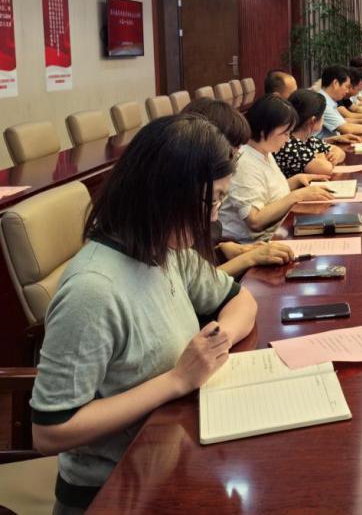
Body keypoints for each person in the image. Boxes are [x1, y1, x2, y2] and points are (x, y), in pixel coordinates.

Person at [30, 116, 259, 512]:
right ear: (166, 194)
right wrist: (178, 379)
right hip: (114, 490)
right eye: (212, 200)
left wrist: (215, 345)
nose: (213, 217)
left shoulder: (166, 249)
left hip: (174, 456)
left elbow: (243, 302)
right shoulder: (93, 290)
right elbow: (50, 432)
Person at [182, 97, 296, 276]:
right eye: (233, 151)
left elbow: (202, 255)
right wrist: (248, 258)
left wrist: (223, 248)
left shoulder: (203, 188)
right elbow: (195, 284)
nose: (237, 156)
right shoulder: (181, 208)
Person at [219, 95, 335, 242]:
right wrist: (297, 196)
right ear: (264, 130)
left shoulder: (264, 150)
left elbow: (269, 195)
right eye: (285, 133)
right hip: (251, 244)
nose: (288, 139)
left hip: (275, 231)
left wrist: (297, 180)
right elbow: (255, 221)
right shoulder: (244, 162)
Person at [275, 89, 345, 178]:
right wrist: (323, 157)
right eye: (322, 115)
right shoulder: (289, 144)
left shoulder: (309, 139)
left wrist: (335, 156)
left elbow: (340, 152)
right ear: (313, 121)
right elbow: (326, 169)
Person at [317, 65, 362, 140]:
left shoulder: (327, 100)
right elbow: (347, 129)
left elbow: (341, 121)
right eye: (346, 86)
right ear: (335, 83)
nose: (347, 91)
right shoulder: (322, 102)